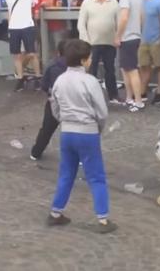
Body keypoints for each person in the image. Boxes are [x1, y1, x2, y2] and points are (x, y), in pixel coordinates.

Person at [47, 39, 117, 234]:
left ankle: (55, 212)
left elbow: (54, 106)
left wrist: (64, 120)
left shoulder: (60, 80)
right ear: (85, 60)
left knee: (66, 174)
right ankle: (103, 219)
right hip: (87, 132)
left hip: (67, 132)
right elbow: (101, 112)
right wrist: (98, 129)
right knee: (96, 177)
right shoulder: (90, 81)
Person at [78, 0, 121, 103]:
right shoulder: (87, 3)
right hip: (92, 43)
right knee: (91, 70)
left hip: (109, 42)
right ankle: (89, 97)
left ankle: (113, 95)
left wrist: (118, 37)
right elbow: (81, 24)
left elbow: (119, 22)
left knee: (110, 70)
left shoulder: (113, 2)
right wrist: (86, 41)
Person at [30, 39, 68, 161]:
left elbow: (44, 85)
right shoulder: (76, 67)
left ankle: (36, 152)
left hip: (54, 102)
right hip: (72, 103)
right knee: (73, 130)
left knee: (47, 129)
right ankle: (77, 157)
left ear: (58, 52)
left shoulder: (51, 65)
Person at [115, 0, 145, 112]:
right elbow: (140, 16)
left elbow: (124, 18)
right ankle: (129, 97)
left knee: (131, 70)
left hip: (128, 37)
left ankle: (138, 101)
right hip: (135, 35)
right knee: (126, 69)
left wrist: (118, 35)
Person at [138, 0, 160, 105]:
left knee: (159, 66)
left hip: (156, 39)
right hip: (143, 40)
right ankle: (142, 91)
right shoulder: (140, 1)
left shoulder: (158, 2)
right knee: (143, 66)